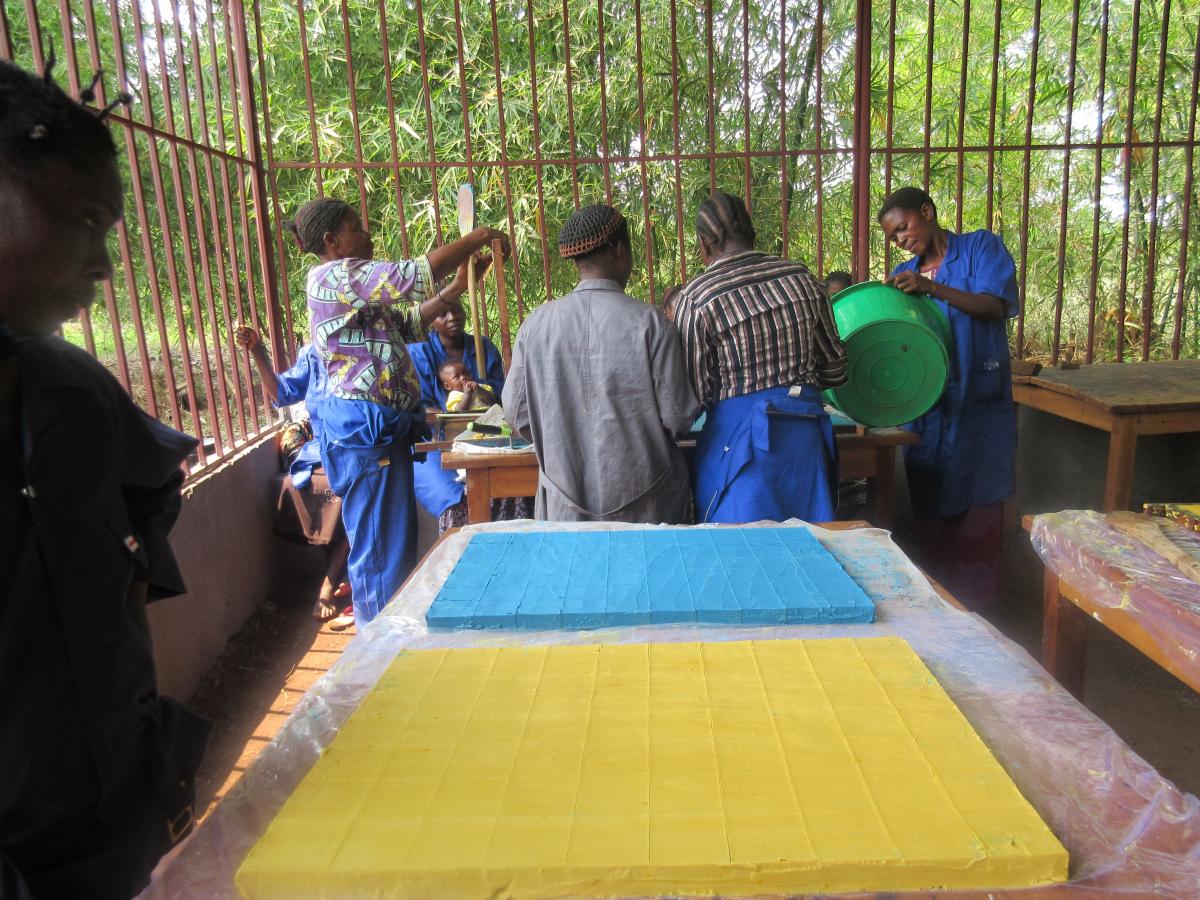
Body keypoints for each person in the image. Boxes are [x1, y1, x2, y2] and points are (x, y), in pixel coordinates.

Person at [0, 59, 209, 898]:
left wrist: (139, 737)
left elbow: (145, 508)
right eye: (85, 220)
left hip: (111, 825)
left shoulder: (76, 392)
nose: (104, 266)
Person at [288, 196, 508, 623]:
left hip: (380, 434)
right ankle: (378, 649)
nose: (366, 234)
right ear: (333, 241)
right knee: (379, 556)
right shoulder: (334, 276)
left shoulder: (351, 287)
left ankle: (385, 641)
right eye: (357, 227)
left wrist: (458, 289)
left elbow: (406, 325)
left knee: (389, 549)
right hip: (363, 437)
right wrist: (478, 236)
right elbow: (412, 276)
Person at [503, 204, 699, 523]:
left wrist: (561, 440)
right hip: (647, 508)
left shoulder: (536, 326)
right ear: (621, 249)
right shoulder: (650, 323)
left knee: (572, 574)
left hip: (564, 507)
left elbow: (516, 414)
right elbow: (678, 417)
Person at [878, 186, 1018, 609]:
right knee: (932, 520)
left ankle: (979, 622)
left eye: (903, 228)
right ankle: (941, 615)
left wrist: (931, 289)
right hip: (931, 414)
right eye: (893, 237)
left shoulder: (980, 249)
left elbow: (994, 305)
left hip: (979, 409)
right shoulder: (905, 274)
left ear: (927, 211)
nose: (901, 240)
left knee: (978, 520)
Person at [675, 192, 848, 524]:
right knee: (807, 549)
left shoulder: (698, 298)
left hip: (739, 453)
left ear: (704, 244)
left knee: (741, 557)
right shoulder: (802, 279)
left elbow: (691, 398)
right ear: (752, 231)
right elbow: (836, 370)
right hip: (805, 443)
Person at [235, 325, 351, 622]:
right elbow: (281, 392)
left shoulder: (363, 346)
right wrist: (257, 351)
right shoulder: (312, 355)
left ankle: (329, 585)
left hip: (358, 445)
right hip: (323, 448)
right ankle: (338, 574)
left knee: (351, 492)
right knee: (301, 487)